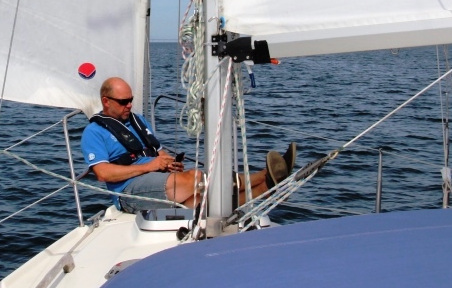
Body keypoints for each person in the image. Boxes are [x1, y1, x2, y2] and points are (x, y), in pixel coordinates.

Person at [81, 77, 295, 213]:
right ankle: (264, 176)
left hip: (156, 177)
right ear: (106, 101)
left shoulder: (138, 121)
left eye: (131, 100)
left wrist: (168, 163)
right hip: (128, 192)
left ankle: (266, 188)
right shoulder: (94, 132)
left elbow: (158, 152)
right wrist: (150, 166)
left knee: (200, 200)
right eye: (123, 102)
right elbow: (102, 173)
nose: (129, 105)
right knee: (195, 178)